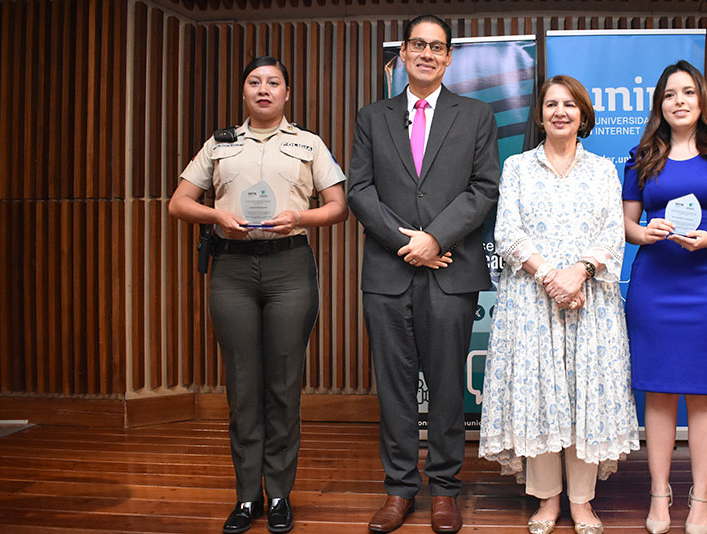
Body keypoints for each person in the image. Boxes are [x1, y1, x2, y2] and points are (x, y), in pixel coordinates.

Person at [169, 56, 348, 534]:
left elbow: (338, 207)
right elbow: (179, 202)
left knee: (283, 386)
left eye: (273, 82)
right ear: (244, 92)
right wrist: (216, 217)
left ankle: (280, 494)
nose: (263, 89)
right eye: (254, 82)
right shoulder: (220, 143)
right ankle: (246, 498)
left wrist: (301, 218)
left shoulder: (308, 143)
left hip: (290, 266)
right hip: (232, 268)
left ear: (287, 93)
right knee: (243, 386)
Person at [346, 14, 500, 534]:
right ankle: (398, 490)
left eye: (438, 47)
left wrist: (435, 238)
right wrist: (406, 242)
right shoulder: (372, 116)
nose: (428, 54)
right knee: (393, 388)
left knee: (447, 387)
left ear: (450, 57)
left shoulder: (477, 115)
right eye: (419, 45)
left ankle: (445, 492)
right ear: (404, 54)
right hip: (387, 274)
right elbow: (359, 191)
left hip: (449, 270)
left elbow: (483, 189)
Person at [479, 75, 641, 534]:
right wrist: (551, 276)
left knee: (584, 398)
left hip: (591, 303)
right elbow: (507, 233)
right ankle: (548, 501)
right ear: (540, 114)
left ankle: (583, 501)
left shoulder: (602, 170)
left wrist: (580, 273)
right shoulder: (517, 167)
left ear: (583, 115)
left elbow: (613, 234)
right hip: (532, 302)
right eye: (551, 104)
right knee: (541, 398)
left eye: (570, 104)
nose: (560, 112)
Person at [621, 60, 707, 534]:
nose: (678, 102)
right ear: (659, 105)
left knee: (703, 396)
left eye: (687, 93)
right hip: (655, 285)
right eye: (669, 95)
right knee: (657, 394)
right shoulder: (643, 156)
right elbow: (626, 225)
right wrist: (645, 231)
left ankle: (700, 499)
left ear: (702, 100)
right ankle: (660, 493)